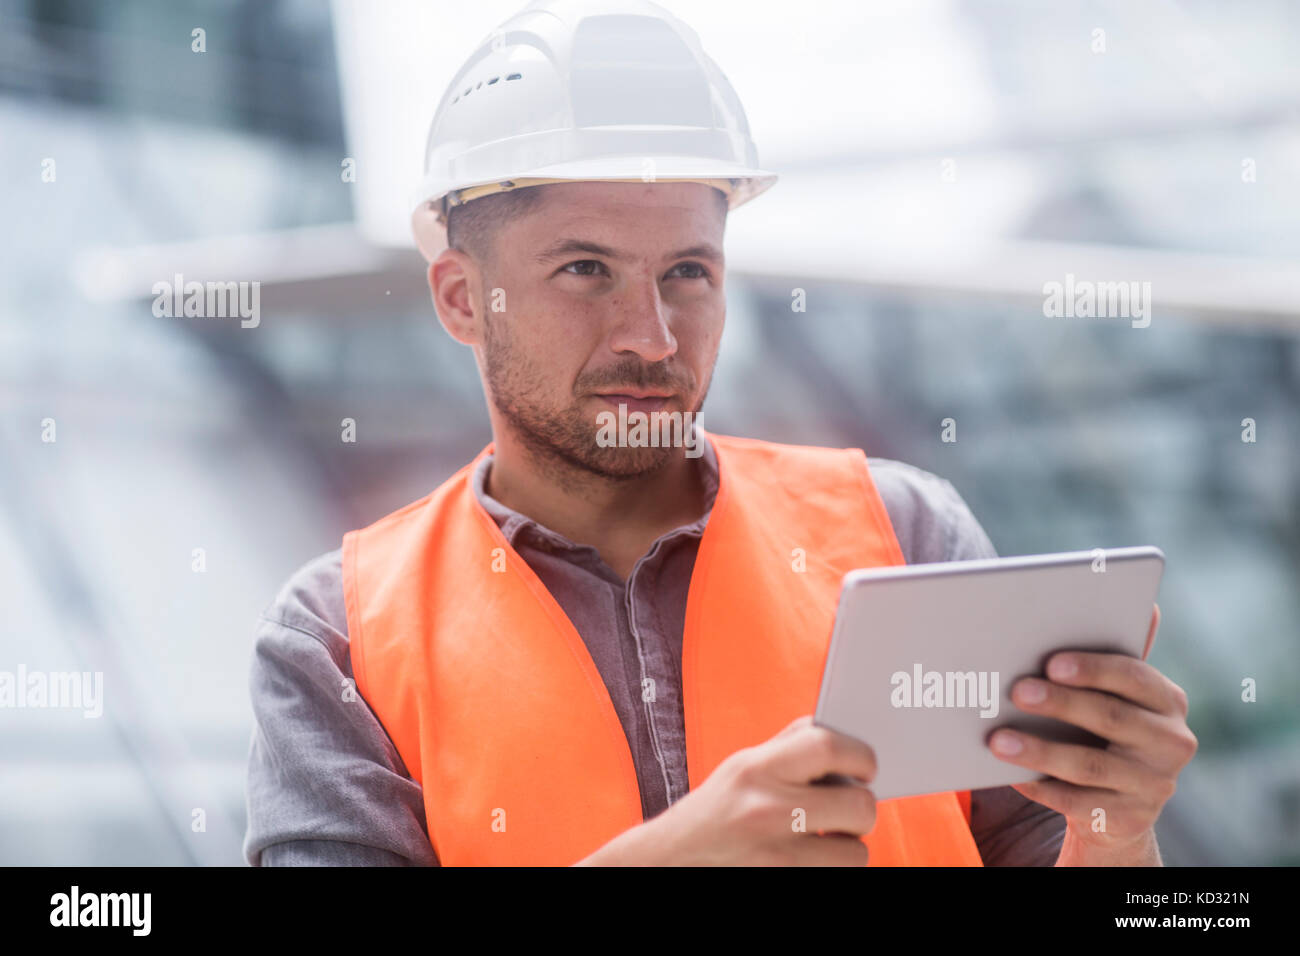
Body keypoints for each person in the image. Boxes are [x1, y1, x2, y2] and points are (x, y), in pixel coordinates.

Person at [243, 0, 1195, 866]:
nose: (651, 338)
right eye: (585, 270)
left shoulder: (903, 534)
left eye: (688, 273)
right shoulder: (339, 638)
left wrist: (1117, 831)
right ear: (461, 297)